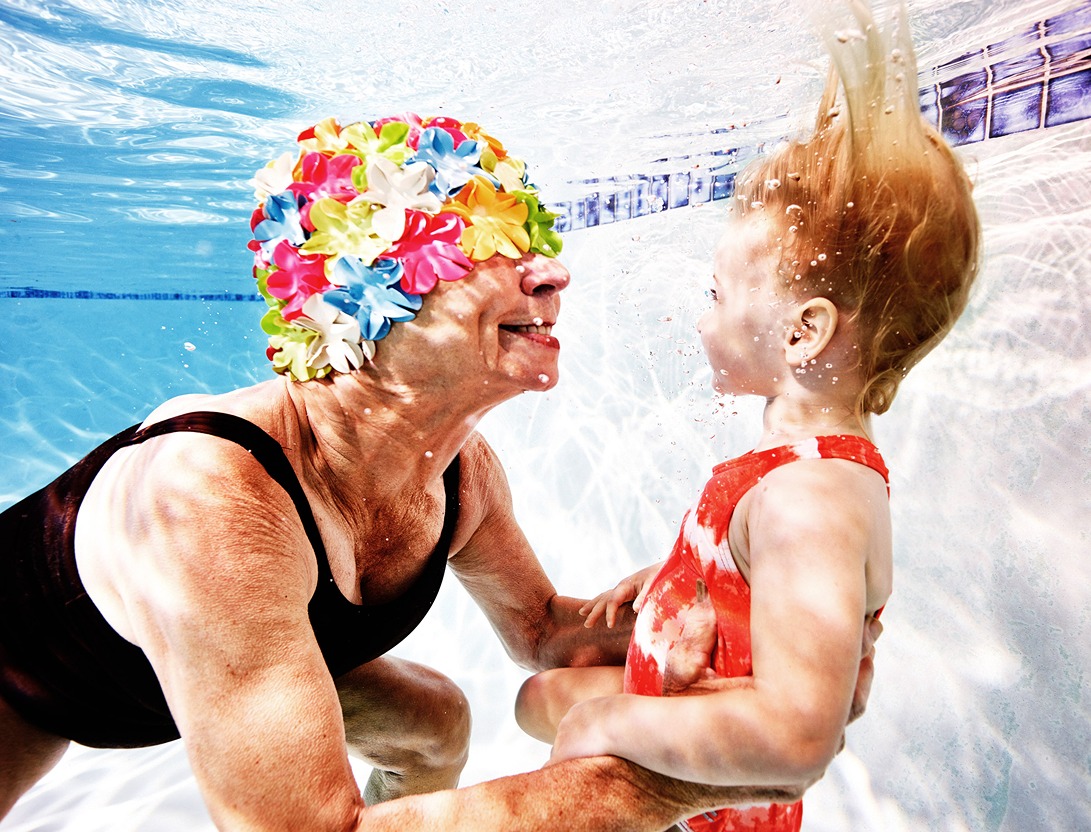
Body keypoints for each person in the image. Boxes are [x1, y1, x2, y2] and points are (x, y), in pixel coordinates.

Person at [0, 111, 879, 831]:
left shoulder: (459, 472)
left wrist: (727, 611)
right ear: (359, 303)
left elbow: (543, 633)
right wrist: (673, 781)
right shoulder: (213, 501)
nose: (553, 272)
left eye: (531, 235)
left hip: (215, 659)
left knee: (433, 725)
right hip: (25, 680)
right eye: (488, 245)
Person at [514, 2, 981, 830]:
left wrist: (604, 728)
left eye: (717, 296)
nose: (701, 319)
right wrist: (683, 581)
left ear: (804, 332)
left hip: (709, 815)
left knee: (572, 715)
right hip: (694, 686)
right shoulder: (797, 466)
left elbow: (798, 741)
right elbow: (755, 566)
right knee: (541, 695)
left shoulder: (814, 499)